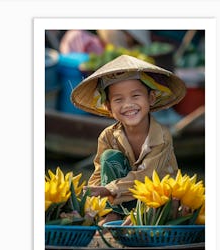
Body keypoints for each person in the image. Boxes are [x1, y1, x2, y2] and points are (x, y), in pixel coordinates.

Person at [70, 54, 186, 224]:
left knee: (164, 199)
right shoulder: (108, 136)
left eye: (136, 96)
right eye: (118, 99)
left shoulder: (161, 136)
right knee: (109, 157)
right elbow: (98, 175)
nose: (128, 105)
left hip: (158, 200)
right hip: (120, 199)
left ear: (151, 98)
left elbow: (147, 175)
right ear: (109, 107)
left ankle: (137, 217)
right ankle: (115, 214)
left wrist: (108, 189)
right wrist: (90, 200)